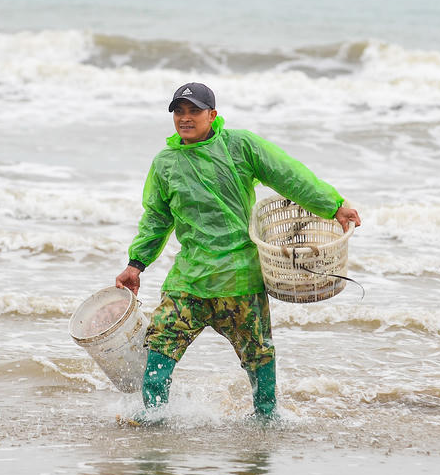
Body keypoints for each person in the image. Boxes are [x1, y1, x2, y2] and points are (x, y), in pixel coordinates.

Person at [115, 82, 361, 423]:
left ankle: (267, 418)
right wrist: (135, 264)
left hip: (240, 276)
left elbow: (288, 175)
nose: (185, 118)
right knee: (161, 342)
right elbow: (157, 218)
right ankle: (153, 418)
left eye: (194, 111)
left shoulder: (239, 146)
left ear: (212, 115)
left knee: (257, 353)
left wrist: (333, 206)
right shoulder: (166, 164)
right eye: (179, 112)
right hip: (190, 278)